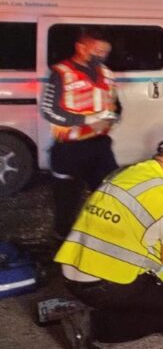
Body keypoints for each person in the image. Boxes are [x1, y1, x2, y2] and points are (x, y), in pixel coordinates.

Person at [53, 131, 163, 349]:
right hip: (103, 284)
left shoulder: (127, 172)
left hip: (71, 274)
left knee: (154, 288)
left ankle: (100, 308)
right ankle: (89, 325)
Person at [40, 26, 121, 238]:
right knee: (66, 202)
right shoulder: (61, 73)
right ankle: (62, 242)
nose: (102, 57)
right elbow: (49, 111)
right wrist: (86, 119)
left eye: (105, 52)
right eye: (98, 51)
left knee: (109, 194)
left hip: (100, 146)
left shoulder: (107, 74)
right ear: (81, 47)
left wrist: (114, 116)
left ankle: (104, 239)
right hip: (69, 149)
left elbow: (115, 104)